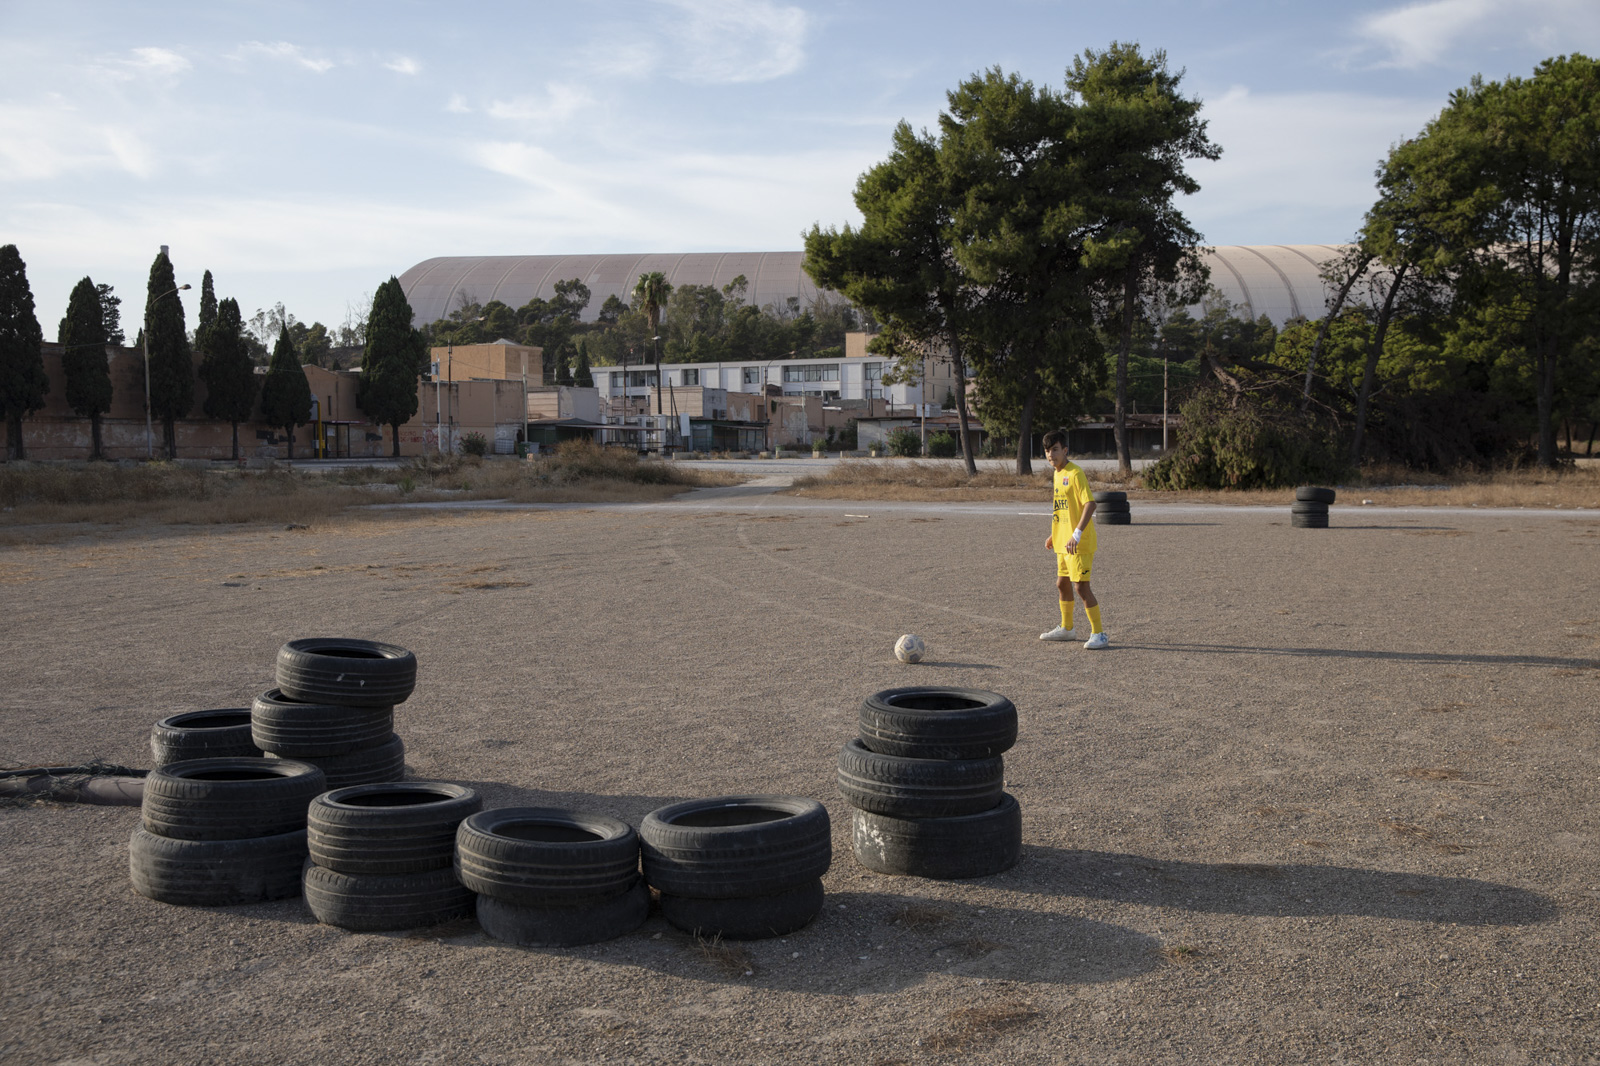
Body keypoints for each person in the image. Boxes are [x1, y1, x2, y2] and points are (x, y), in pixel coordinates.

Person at [1038, 427, 1108, 649]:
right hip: (1062, 543)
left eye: (1055, 449)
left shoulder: (1075, 473)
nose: (1051, 455)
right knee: (1062, 584)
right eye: (1047, 451)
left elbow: (1090, 504)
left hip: (1079, 543)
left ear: (1065, 450)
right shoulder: (1057, 474)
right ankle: (1067, 629)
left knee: (1081, 587)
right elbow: (1065, 509)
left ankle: (1099, 633)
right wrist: (1054, 534)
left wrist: (1076, 534)